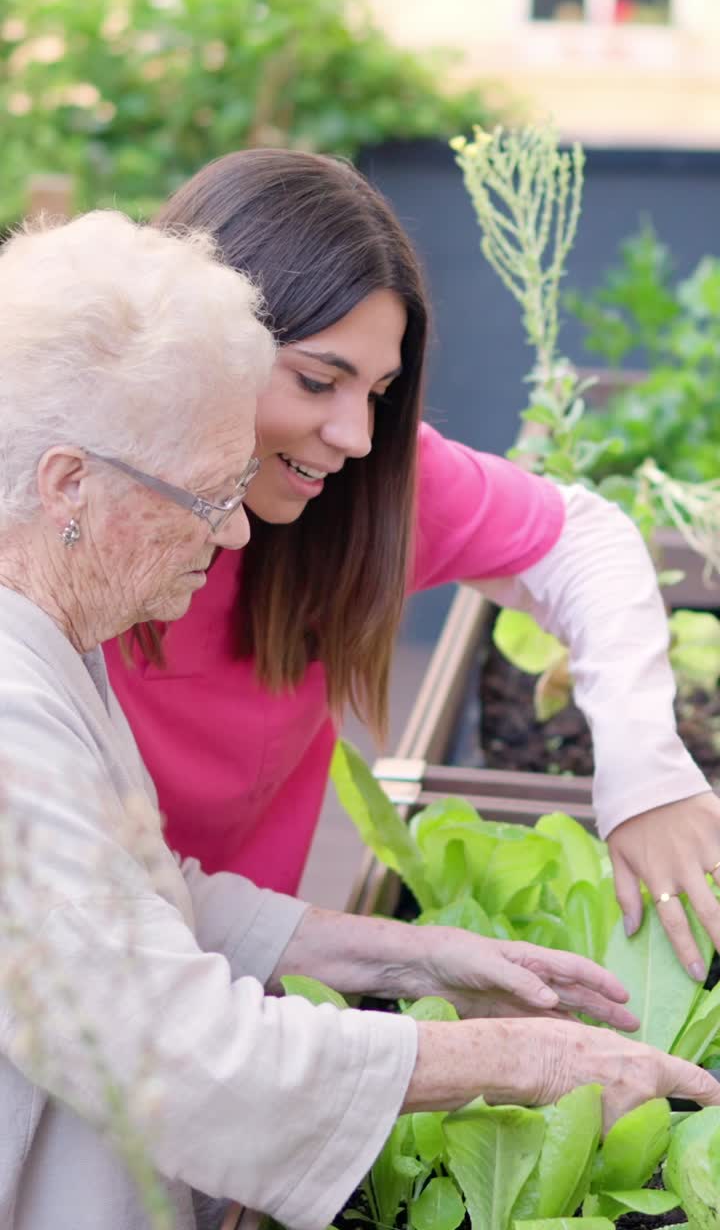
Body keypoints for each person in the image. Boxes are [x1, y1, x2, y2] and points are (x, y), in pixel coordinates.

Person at [1, 213, 718, 1230]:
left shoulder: (56, 628)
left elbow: (132, 902)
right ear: (69, 483)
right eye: (207, 496)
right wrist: (531, 1058)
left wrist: (410, 959)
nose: (238, 526)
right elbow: (180, 1052)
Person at [103, 149, 720, 980]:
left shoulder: (355, 493)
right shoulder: (58, 534)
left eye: (379, 393)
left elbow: (588, 541)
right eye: (319, 381)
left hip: (238, 990)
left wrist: (646, 773)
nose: (356, 436)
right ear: (194, 347)